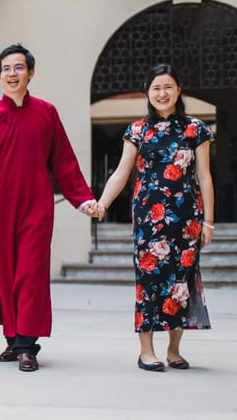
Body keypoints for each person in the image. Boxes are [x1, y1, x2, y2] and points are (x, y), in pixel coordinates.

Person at [0, 43, 98, 372]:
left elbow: (64, 162)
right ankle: (12, 338)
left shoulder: (47, 113)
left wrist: (83, 198)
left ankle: (27, 346)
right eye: (6, 68)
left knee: (30, 275)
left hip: (37, 209)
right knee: (5, 275)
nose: (12, 73)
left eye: (19, 68)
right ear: (0, 76)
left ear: (30, 73)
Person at [94, 63, 214, 371]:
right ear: (148, 93)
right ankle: (146, 351)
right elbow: (121, 172)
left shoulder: (196, 129)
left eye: (168, 87)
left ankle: (174, 349)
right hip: (149, 220)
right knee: (148, 281)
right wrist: (102, 203)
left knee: (180, 283)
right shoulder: (136, 130)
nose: (162, 93)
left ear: (178, 91)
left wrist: (208, 221)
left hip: (188, 220)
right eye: (156, 88)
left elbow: (204, 176)